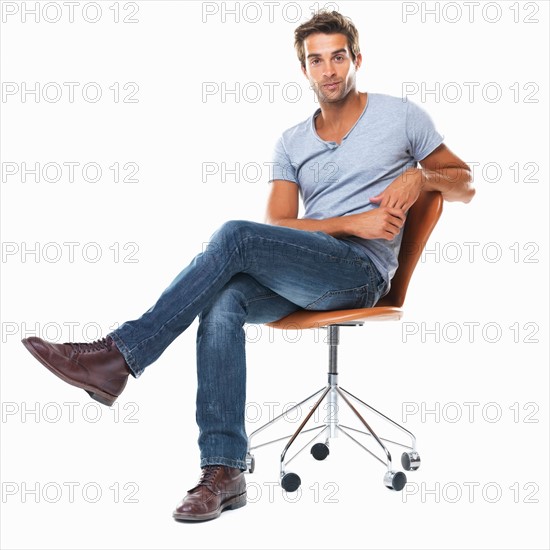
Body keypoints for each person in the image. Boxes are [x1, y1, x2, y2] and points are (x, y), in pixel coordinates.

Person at [21, 10, 475, 522]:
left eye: (338, 57)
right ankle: (223, 470)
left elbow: (464, 182)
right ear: (303, 69)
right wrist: (352, 222)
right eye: (316, 60)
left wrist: (421, 177)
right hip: (310, 268)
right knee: (222, 299)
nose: (329, 70)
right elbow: (280, 223)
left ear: (357, 59)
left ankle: (119, 355)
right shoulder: (291, 142)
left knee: (235, 235)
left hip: (360, 276)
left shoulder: (402, 116)